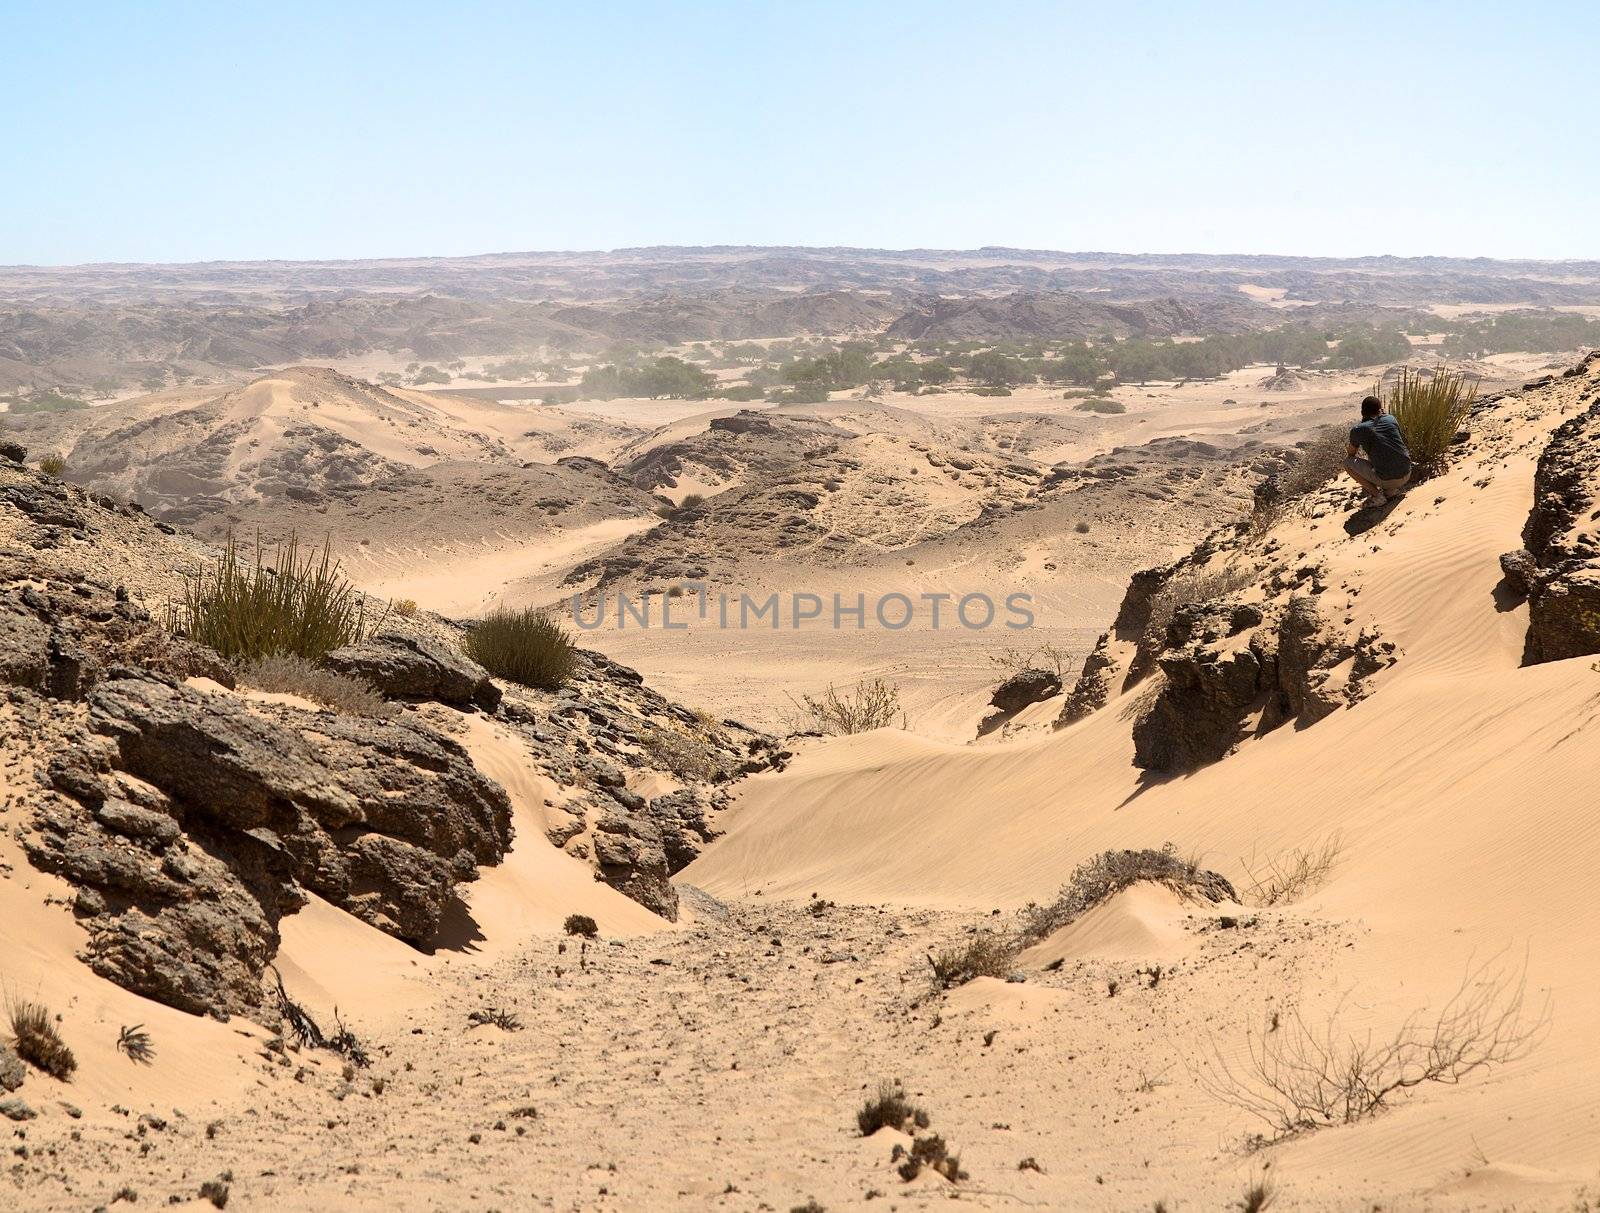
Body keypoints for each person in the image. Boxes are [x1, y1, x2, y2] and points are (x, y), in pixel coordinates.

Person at [1344, 395, 1411, 506]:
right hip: (1407, 473)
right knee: (1379, 448)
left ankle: (1378, 496)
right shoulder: (1391, 418)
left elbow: (1351, 454)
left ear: (1362, 412)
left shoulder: (1358, 430)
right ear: (1380, 409)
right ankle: (1390, 490)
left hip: (1389, 479)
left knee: (1347, 463)